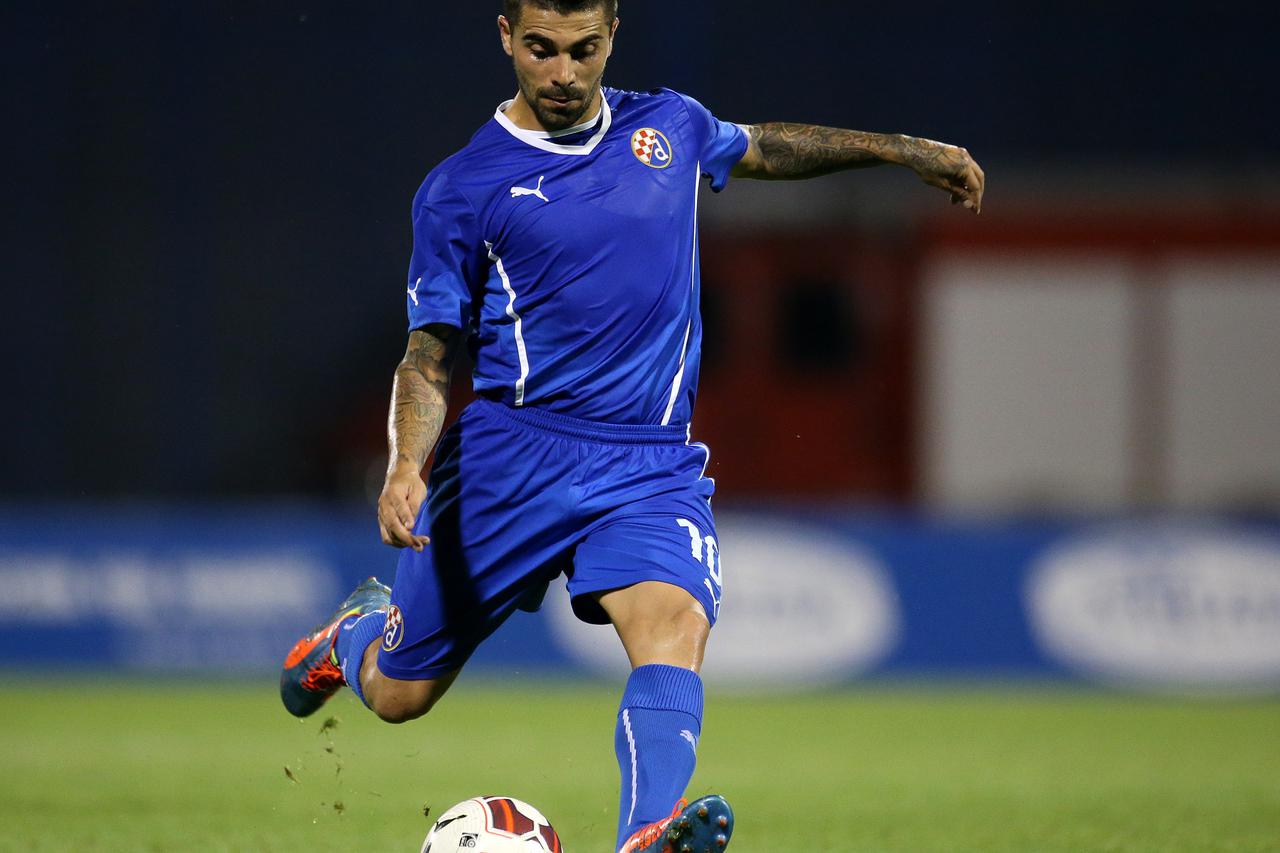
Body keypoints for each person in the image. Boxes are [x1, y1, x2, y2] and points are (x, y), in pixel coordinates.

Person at [281, 1, 985, 851]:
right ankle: (350, 632)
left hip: (649, 461)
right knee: (400, 694)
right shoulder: (462, 189)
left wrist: (902, 150)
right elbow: (429, 356)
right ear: (505, 36)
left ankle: (644, 833)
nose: (564, 74)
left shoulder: (671, 125)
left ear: (613, 35)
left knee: (674, 623)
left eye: (584, 50)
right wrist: (405, 466)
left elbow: (764, 145)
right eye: (541, 50)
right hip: (512, 457)